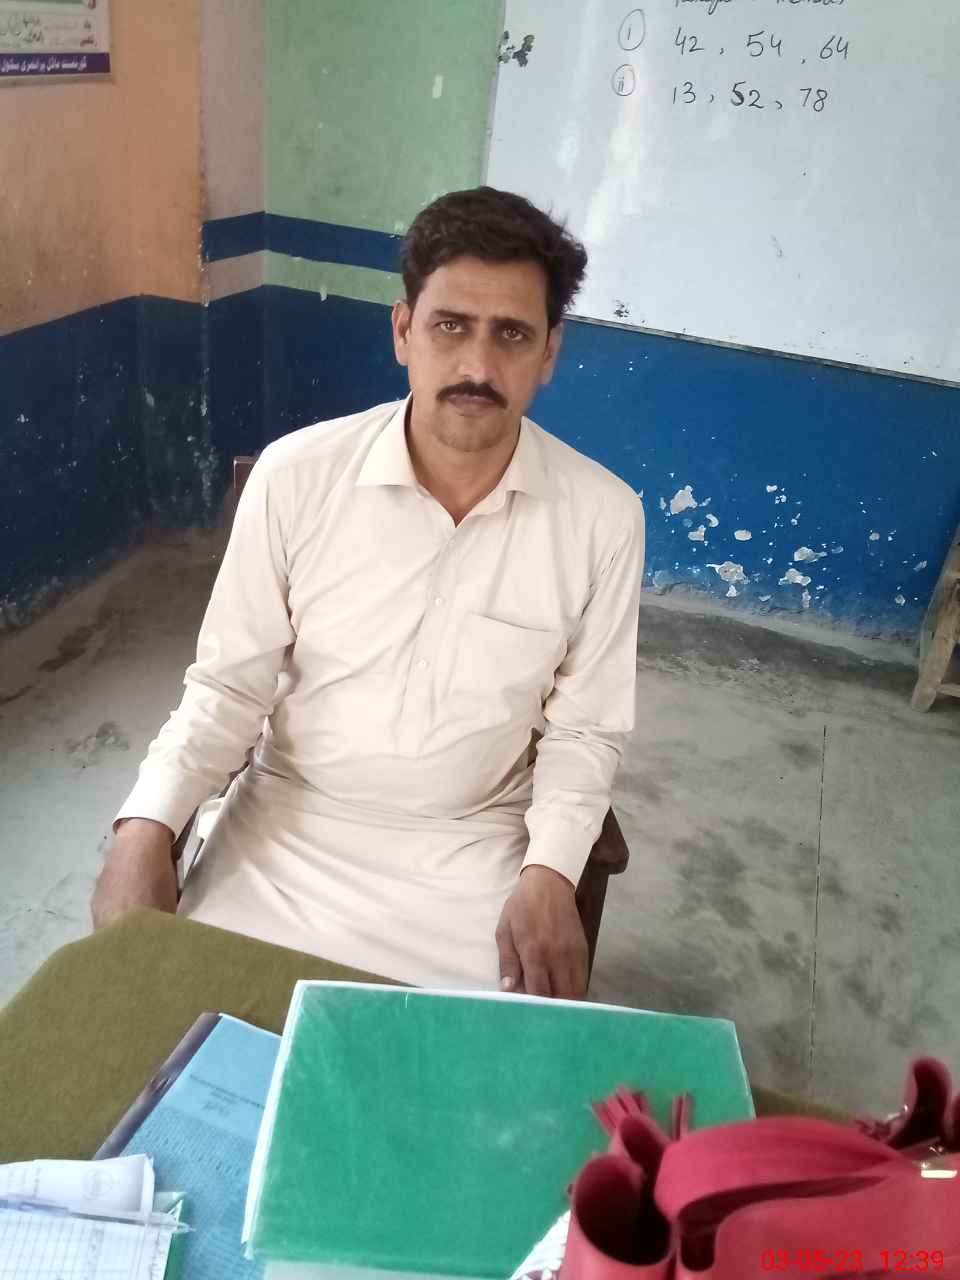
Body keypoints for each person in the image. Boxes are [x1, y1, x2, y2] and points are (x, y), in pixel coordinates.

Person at [91, 186, 645, 999]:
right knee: (190, 1041)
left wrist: (551, 872)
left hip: (471, 857)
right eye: (450, 326)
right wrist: (144, 826)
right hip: (281, 835)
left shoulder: (603, 517)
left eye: (512, 334)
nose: (477, 367)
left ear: (549, 351)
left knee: (462, 1073)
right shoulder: (296, 477)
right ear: (403, 331)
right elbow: (226, 688)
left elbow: (585, 732)